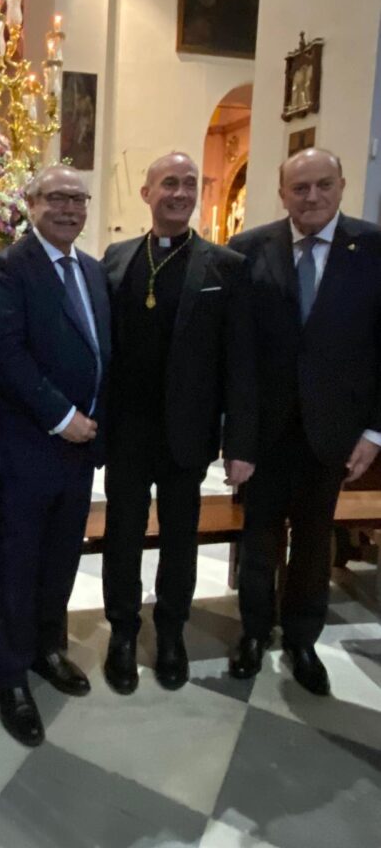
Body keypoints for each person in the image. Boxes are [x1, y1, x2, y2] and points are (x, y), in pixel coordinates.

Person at [102, 152, 257, 695]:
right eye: (169, 183)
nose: (180, 192)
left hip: (187, 433)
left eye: (190, 183)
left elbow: (240, 363)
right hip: (126, 430)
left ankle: (171, 633)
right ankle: (122, 633)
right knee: (122, 535)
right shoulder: (117, 258)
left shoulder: (225, 266)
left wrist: (240, 443)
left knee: (179, 539)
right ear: (146, 193)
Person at [228, 147, 381, 695]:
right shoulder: (248, 249)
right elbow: (238, 355)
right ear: (282, 193)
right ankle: (253, 633)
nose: (312, 196)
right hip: (264, 433)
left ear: (341, 186)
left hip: (333, 431)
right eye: (300, 188)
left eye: (322, 185)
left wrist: (374, 432)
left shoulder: (373, 248)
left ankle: (301, 640)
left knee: (315, 542)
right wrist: (235, 439)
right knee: (258, 539)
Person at [0, 165, 111, 747]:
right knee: (17, 564)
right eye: (57, 197)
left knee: (60, 559)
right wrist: (62, 416)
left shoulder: (92, 269)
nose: (69, 208)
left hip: (80, 449)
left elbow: (101, 352)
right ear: (31, 204)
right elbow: (5, 354)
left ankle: (47, 649)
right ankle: (10, 675)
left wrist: (94, 422)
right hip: (27, 446)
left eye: (78, 199)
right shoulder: (8, 268)